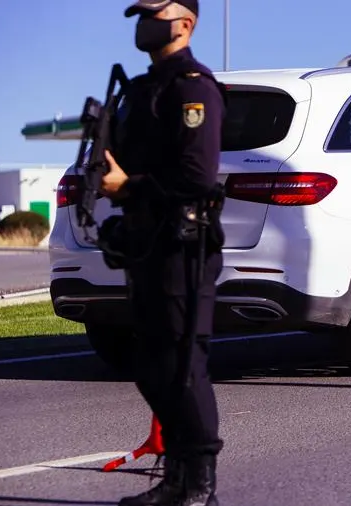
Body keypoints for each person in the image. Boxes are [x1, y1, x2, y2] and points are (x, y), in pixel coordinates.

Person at [100, 1, 226, 504]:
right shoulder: (144, 89)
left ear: (185, 23)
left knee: (182, 367)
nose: (143, 24)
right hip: (147, 244)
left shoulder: (192, 87)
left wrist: (128, 186)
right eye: (140, 15)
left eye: (154, 13)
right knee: (152, 366)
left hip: (183, 247)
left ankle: (199, 487)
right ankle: (176, 478)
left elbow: (196, 176)